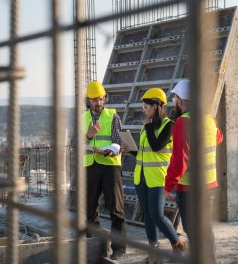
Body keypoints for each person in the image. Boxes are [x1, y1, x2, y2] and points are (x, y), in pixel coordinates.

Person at [164, 79, 223, 261]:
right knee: (205, 227)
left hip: (189, 188)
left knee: (192, 228)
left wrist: (168, 185)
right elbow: (218, 138)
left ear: (180, 101)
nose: (174, 101)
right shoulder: (209, 119)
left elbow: (180, 160)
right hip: (209, 183)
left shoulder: (183, 122)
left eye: (175, 97)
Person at [125, 88, 186, 255]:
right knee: (147, 214)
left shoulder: (170, 125)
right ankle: (153, 246)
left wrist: (149, 127)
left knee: (157, 215)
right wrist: (130, 150)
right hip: (141, 177)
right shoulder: (148, 127)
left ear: (157, 106)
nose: (144, 110)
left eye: (146, 107)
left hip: (158, 177)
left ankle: (177, 243)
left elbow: (157, 146)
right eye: (143, 107)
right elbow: (145, 152)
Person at [84, 81, 126, 260]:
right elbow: (73, 143)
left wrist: (112, 149)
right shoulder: (84, 118)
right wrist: (89, 134)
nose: (98, 103)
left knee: (116, 209)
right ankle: (94, 245)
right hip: (91, 166)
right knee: (89, 208)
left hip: (110, 166)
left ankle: (118, 248)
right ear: (88, 101)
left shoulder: (112, 116)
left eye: (100, 99)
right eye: (94, 100)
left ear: (104, 99)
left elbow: (118, 139)